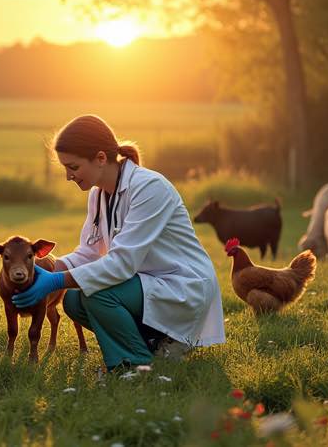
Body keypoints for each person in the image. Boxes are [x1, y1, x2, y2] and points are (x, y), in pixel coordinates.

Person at [12, 115, 225, 370]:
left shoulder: (150, 187)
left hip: (182, 286)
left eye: (73, 167)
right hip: (146, 284)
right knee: (73, 300)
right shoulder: (98, 194)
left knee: (97, 294)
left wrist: (56, 281)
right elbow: (88, 253)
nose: (68, 176)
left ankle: (134, 365)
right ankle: (155, 346)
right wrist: (45, 269)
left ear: (101, 158)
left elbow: (121, 264)